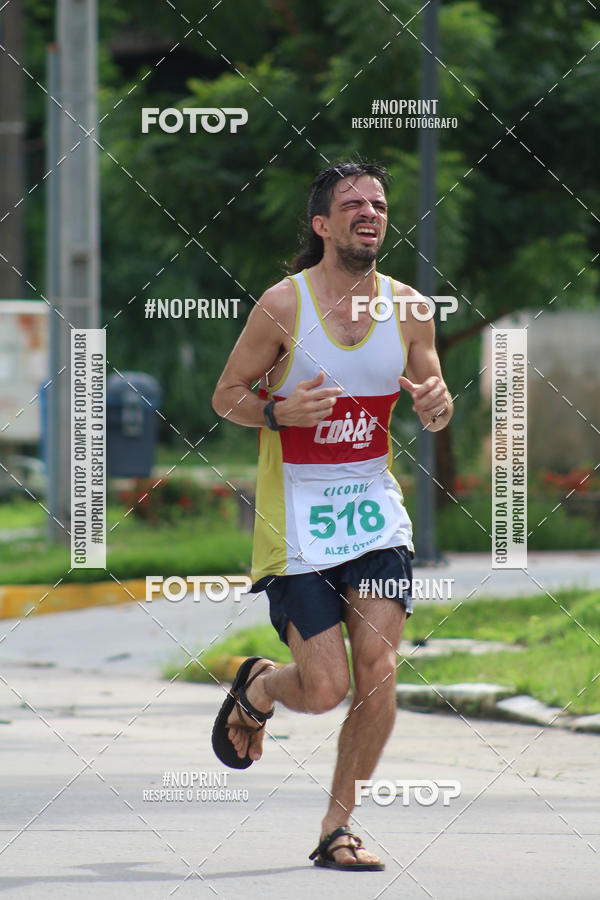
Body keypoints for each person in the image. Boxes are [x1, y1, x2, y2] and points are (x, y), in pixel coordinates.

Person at [211, 161, 453, 871]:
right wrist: (278, 411)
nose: (369, 212)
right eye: (352, 204)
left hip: (374, 513)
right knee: (324, 689)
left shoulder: (410, 308)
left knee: (378, 669)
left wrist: (437, 406)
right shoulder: (283, 307)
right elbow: (225, 397)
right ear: (323, 225)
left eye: (378, 203)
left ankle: (336, 828)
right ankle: (261, 684)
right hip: (299, 519)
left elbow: (434, 396)